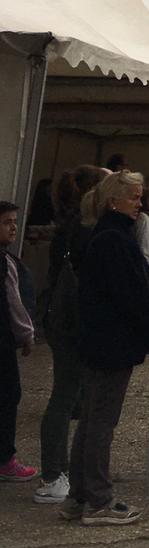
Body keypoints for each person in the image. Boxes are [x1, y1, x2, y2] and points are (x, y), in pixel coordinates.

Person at [60, 172, 149, 525]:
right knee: (100, 421)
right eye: (134, 198)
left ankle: (79, 495)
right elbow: (131, 296)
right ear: (115, 201)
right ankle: (97, 497)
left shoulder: (106, 237)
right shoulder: (114, 241)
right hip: (109, 343)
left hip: (100, 340)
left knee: (93, 419)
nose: (139, 204)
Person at [34, 164, 108, 504]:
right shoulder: (84, 230)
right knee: (65, 396)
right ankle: (54, 473)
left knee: (71, 395)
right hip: (72, 321)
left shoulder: (72, 225)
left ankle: (64, 468)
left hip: (64, 318)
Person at [1, 200, 37, 483]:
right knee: (8, 395)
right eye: (6, 222)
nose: (13, 227)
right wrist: (26, 334)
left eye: (14, 221)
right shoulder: (5, 263)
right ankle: (4, 458)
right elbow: (14, 303)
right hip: (3, 342)